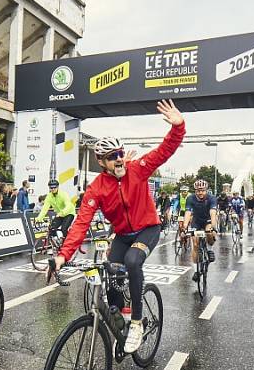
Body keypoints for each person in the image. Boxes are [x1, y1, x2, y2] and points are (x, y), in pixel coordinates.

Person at [53, 100, 185, 353]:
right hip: (123, 235)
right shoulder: (97, 188)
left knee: (133, 261)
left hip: (148, 229)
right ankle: (119, 323)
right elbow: (82, 223)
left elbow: (165, 149)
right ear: (101, 162)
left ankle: (136, 322)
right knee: (111, 279)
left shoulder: (138, 170)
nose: (120, 159)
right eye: (113, 157)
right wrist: (62, 255)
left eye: (121, 153)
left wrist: (178, 127)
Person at [183, 179, 218, 279]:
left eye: (202, 190)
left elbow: (213, 213)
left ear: (206, 190)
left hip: (208, 220)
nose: (200, 192)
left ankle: (210, 249)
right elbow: (188, 213)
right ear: (195, 191)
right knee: (195, 244)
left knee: (209, 233)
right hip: (196, 221)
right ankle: (196, 271)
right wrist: (184, 227)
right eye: (198, 190)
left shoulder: (212, 198)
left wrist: (214, 227)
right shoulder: (190, 198)